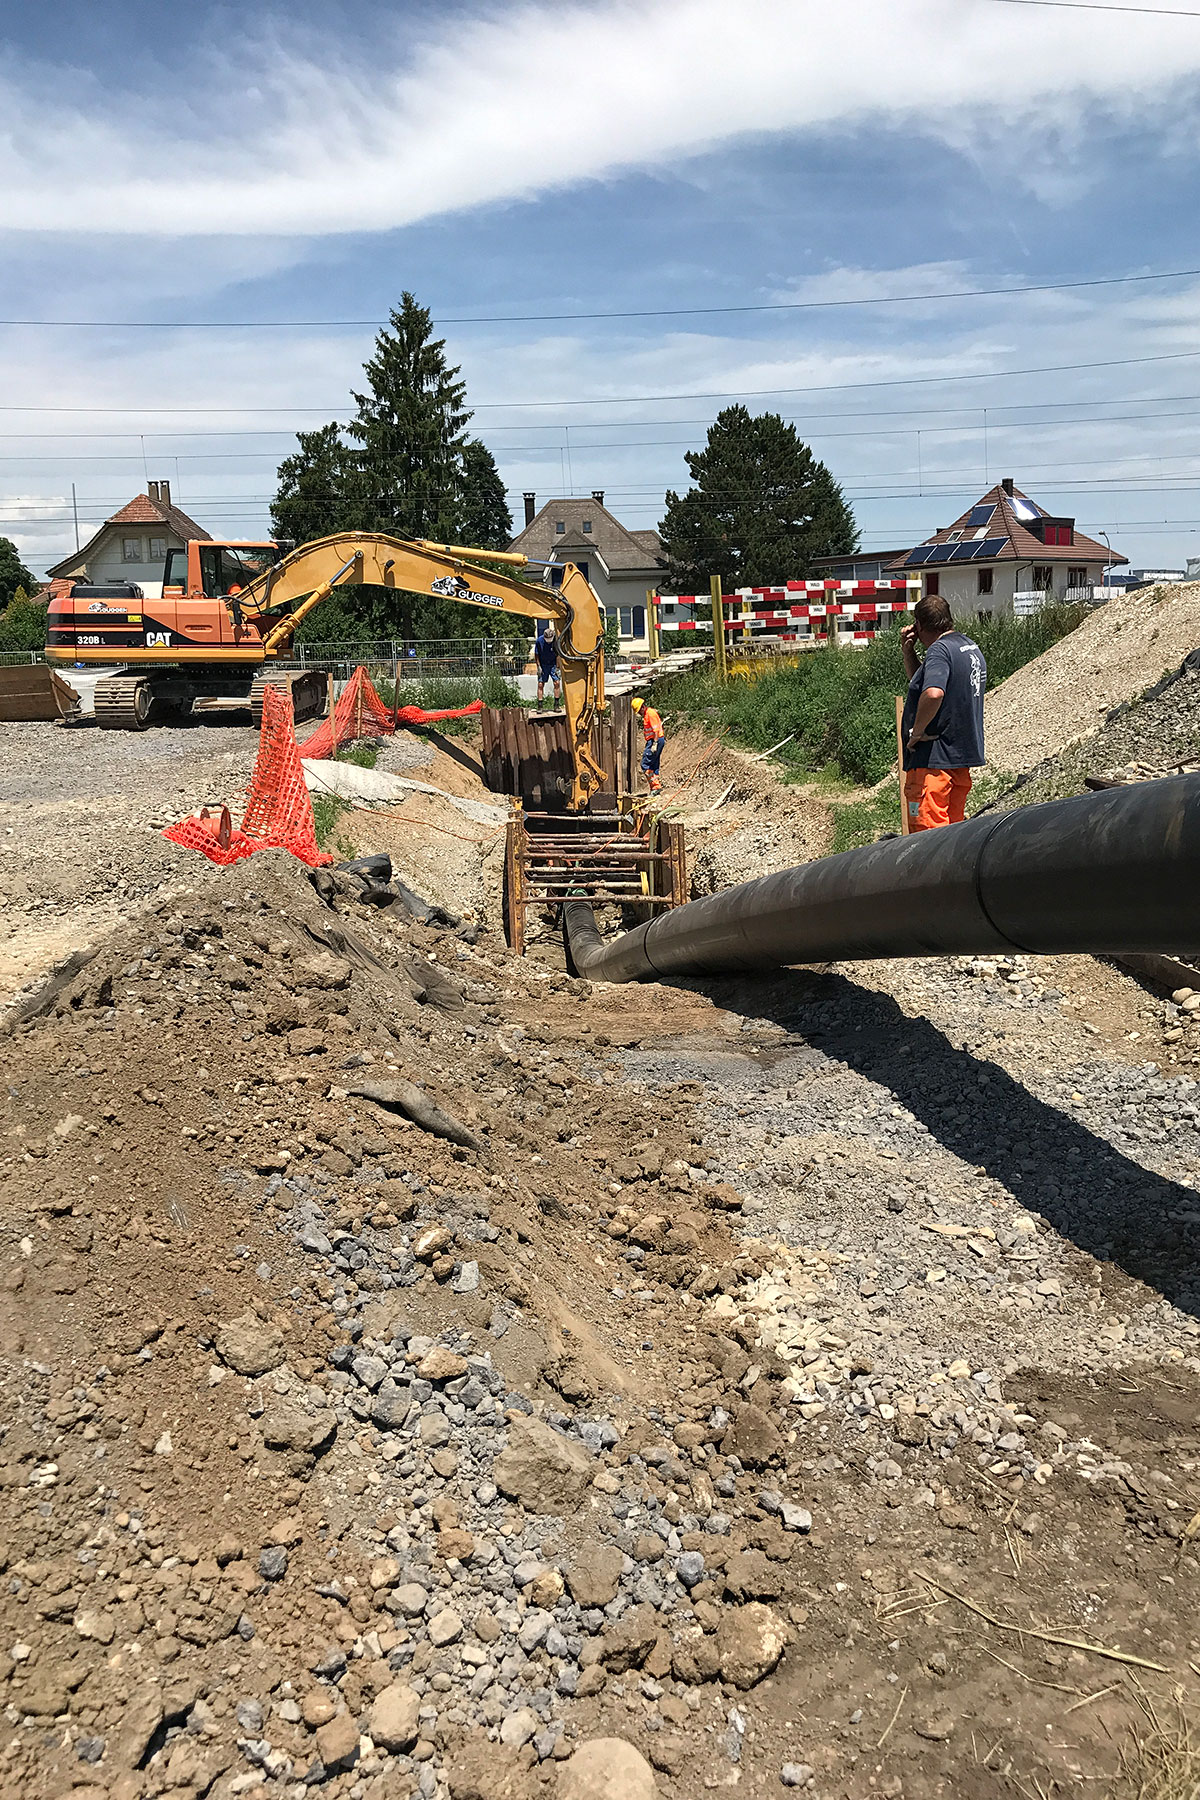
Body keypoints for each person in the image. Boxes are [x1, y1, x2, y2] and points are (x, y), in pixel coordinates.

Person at [900, 594, 987, 831]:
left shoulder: (939, 650)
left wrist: (916, 732)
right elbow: (924, 683)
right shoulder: (968, 647)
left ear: (919, 625)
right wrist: (909, 653)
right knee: (951, 836)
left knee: (927, 839)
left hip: (933, 762)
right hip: (958, 758)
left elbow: (933, 693)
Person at [631, 696, 666, 794]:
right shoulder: (647, 714)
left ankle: (655, 787)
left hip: (655, 740)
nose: (638, 713)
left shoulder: (650, 714)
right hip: (655, 740)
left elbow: (655, 730)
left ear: (642, 707)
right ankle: (655, 788)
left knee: (645, 764)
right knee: (654, 764)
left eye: (638, 711)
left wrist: (654, 744)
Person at [534, 624, 562, 710]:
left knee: (557, 683)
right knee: (540, 684)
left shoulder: (556, 641)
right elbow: (536, 654)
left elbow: (558, 655)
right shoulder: (539, 641)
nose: (549, 641)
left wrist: (558, 668)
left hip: (553, 664)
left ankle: (556, 705)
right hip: (543, 664)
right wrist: (538, 666)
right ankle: (540, 706)